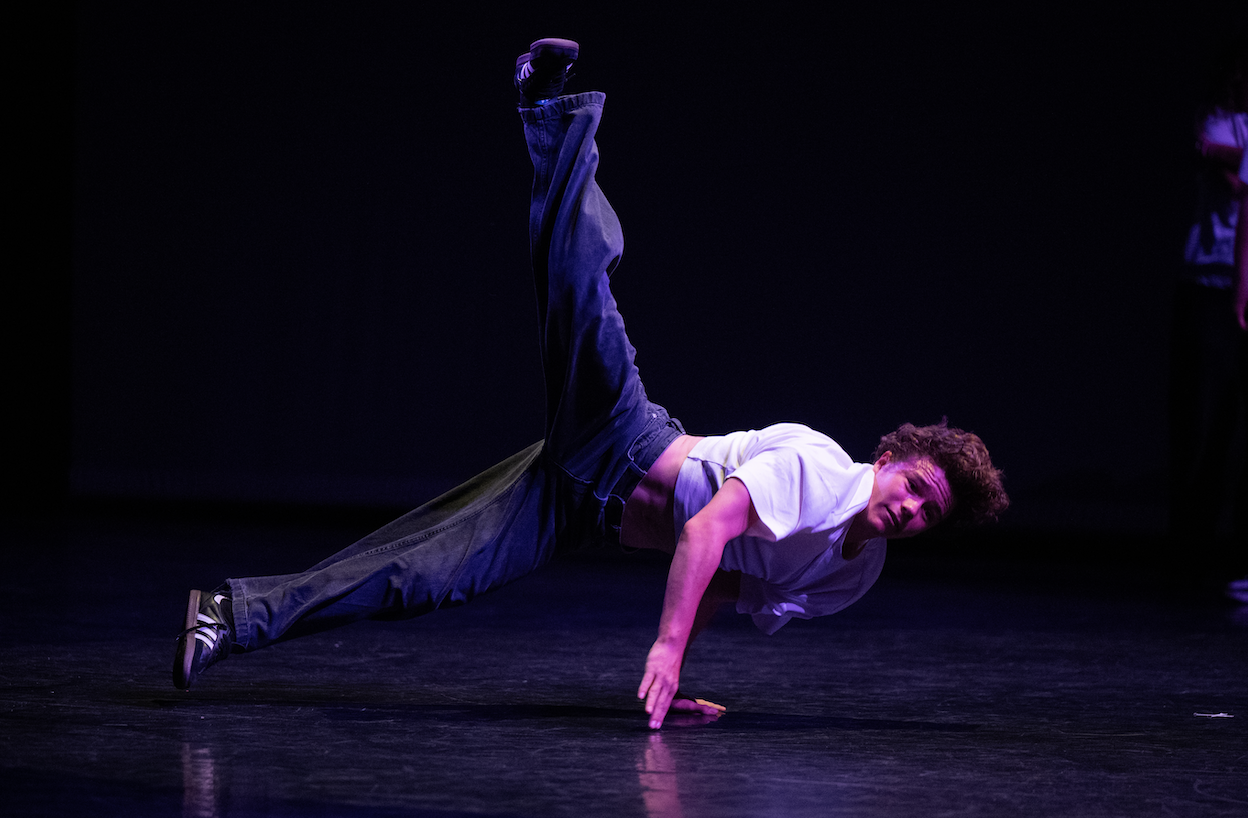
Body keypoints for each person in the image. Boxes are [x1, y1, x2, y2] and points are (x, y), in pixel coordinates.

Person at [174, 39, 1009, 729]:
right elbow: (706, 533)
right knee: (582, 286)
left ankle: (228, 617)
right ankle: (549, 105)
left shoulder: (853, 574)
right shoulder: (823, 471)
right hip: (623, 437)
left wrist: (673, 679)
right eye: (916, 486)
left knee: (419, 578)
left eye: (929, 513)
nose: (911, 509)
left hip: (583, 509)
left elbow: (725, 582)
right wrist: (664, 652)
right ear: (889, 459)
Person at [1170, 28, 1248, 599]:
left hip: (1239, 282)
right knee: (1202, 424)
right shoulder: (1218, 119)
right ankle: (1189, 557)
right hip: (1210, 282)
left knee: (1236, 427)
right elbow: (1221, 161)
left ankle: (1229, 556)